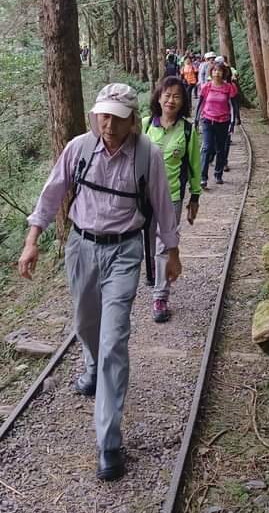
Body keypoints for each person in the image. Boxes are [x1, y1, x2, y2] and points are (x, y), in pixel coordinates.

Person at [18, 83, 181, 482]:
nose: (107, 124)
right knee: (86, 326)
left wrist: (172, 252)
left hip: (125, 253)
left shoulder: (148, 156)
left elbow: (162, 206)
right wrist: (32, 240)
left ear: (131, 120)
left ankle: (108, 441)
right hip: (82, 248)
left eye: (116, 117)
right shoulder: (79, 149)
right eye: (102, 115)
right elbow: (52, 192)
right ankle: (90, 365)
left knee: (114, 342)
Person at [142, 76, 201, 323]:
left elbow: (195, 166)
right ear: (158, 97)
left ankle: (160, 296)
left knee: (165, 245)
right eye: (167, 95)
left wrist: (194, 198)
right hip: (142, 197)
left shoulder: (188, 131)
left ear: (183, 101)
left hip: (172, 197)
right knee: (143, 242)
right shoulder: (145, 125)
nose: (170, 100)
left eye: (176, 96)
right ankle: (153, 273)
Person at [195, 61, 237, 188]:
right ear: (211, 72)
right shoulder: (206, 87)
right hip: (207, 120)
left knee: (220, 149)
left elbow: (233, 106)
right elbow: (200, 104)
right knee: (207, 148)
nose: (216, 73)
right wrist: (196, 120)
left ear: (223, 73)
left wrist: (233, 122)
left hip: (223, 121)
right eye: (214, 70)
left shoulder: (229, 88)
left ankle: (218, 173)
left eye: (219, 70)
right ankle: (203, 177)